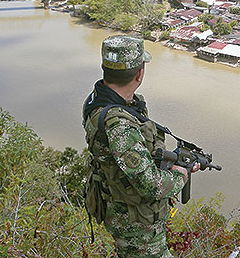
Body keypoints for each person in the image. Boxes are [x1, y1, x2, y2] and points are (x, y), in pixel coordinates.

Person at [82, 35, 198, 258]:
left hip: (122, 208)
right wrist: (180, 173)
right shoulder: (120, 124)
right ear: (139, 73)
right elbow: (151, 185)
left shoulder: (98, 100)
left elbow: (124, 158)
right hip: (136, 224)